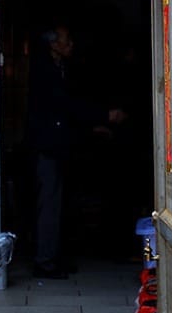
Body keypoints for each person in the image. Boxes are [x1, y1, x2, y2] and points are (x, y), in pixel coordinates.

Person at [25, 22, 124, 277]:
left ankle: (53, 256)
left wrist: (92, 126)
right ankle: (44, 261)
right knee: (49, 203)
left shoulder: (60, 68)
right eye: (66, 41)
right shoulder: (44, 70)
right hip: (48, 147)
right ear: (53, 44)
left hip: (59, 145)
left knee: (58, 203)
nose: (71, 45)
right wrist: (102, 116)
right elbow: (64, 106)